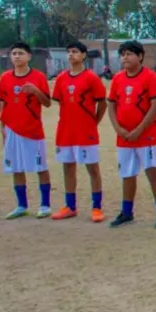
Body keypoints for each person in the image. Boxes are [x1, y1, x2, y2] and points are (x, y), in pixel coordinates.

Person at [107, 40, 156, 228]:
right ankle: (127, 212)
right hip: (124, 137)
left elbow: (155, 105)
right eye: (123, 54)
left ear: (140, 56)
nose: (125, 58)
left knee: (153, 173)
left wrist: (139, 130)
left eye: (129, 54)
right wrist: (118, 129)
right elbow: (111, 104)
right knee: (127, 174)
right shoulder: (118, 78)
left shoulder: (150, 78)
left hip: (147, 136)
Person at [0, 41, 53, 219]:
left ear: (29, 56)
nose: (17, 56)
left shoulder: (38, 77)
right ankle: (21, 205)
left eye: (20, 53)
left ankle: (45, 204)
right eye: (14, 53)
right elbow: (3, 103)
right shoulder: (5, 78)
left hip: (32, 129)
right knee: (16, 168)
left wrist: (35, 91)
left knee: (40, 167)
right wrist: (2, 126)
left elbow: (47, 103)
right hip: (12, 129)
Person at [51, 41, 107, 222]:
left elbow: (102, 102)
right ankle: (70, 206)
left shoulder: (91, 78)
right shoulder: (61, 78)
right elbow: (61, 102)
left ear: (83, 55)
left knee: (92, 169)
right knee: (68, 168)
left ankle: (97, 207)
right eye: (69, 51)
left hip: (86, 132)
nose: (70, 55)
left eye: (74, 51)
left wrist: (94, 122)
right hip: (65, 131)